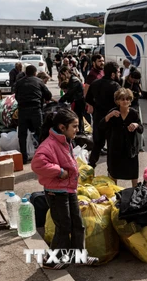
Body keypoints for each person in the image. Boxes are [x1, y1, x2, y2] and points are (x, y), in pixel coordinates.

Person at [31, 109, 98, 269]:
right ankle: (51, 260)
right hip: (56, 193)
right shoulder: (49, 144)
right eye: (74, 126)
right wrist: (59, 171)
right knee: (64, 226)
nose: (77, 129)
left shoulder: (64, 140)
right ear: (62, 127)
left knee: (78, 224)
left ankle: (79, 256)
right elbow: (37, 164)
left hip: (69, 190)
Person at [102, 88, 143, 188]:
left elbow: (141, 129)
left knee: (133, 172)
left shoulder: (133, 113)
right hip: (115, 147)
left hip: (130, 147)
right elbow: (101, 126)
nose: (125, 101)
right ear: (117, 101)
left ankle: (135, 192)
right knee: (114, 171)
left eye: (127, 99)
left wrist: (136, 125)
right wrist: (109, 116)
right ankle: (114, 192)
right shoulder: (113, 112)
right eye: (122, 99)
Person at [86, 62, 122, 168]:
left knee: (97, 144)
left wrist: (96, 106)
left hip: (98, 118)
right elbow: (120, 103)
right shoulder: (115, 86)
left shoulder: (95, 83)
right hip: (112, 119)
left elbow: (88, 98)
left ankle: (91, 166)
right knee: (111, 145)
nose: (119, 75)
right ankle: (111, 170)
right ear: (112, 74)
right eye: (118, 72)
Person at [14, 65, 52, 164]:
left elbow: (16, 96)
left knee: (22, 135)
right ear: (35, 73)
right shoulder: (39, 81)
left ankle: (23, 158)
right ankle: (42, 157)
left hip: (22, 110)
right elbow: (48, 95)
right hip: (36, 109)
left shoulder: (19, 82)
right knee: (40, 133)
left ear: (26, 73)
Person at [59, 66, 86, 134]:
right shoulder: (72, 79)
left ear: (66, 72)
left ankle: (80, 131)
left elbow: (70, 92)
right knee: (78, 116)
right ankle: (80, 131)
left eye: (62, 74)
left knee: (79, 116)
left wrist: (61, 100)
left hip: (80, 100)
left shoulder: (74, 80)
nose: (62, 76)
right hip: (78, 100)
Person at [123, 68, 145, 151]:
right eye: (133, 79)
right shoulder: (123, 81)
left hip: (135, 106)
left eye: (136, 80)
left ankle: (139, 146)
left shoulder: (136, 82)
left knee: (138, 125)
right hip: (125, 107)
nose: (134, 81)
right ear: (130, 76)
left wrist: (137, 93)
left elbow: (140, 92)